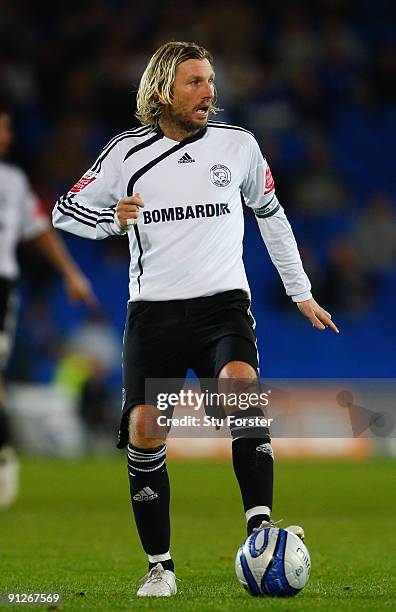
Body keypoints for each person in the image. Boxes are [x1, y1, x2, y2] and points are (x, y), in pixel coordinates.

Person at [52, 41, 339, 597]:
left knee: (241, 388)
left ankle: (260, 530)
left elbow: (272, 216)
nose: (210, 91)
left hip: (222, 306)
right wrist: (111, 218)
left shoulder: (239, 147)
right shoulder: (125, 154)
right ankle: (161, 566)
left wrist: (300, 291)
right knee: (144, 428)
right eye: (195, 82)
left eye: (210, 80)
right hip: (153, 314)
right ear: (163, 90)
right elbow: (67, 212)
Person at [0, 103, 97, 509]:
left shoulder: (13, 181)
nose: (7, 136)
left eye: (7, 128)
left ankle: (4, 456)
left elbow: (40, 230)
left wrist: (70, 273)